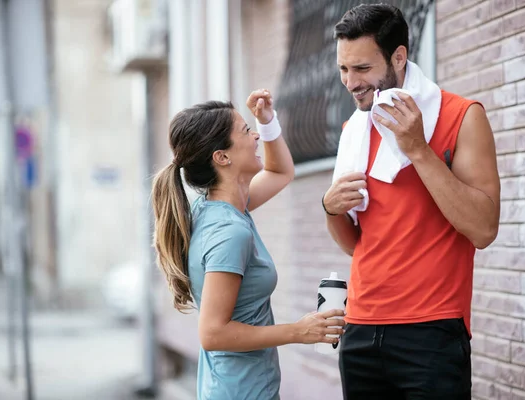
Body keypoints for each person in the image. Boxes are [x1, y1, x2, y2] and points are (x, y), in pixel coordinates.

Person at [322, 4, 500, 400]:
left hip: (431, 331)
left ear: (398, 57)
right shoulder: (355, 129)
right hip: (361, 328)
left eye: (363, 69)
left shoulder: (461, 116)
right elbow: (358, 243)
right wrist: (330, 209)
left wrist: (418, 149)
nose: (350, 83)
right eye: (343, 70)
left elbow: (484, 229)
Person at [151, 89, 346, 400]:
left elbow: (281, 172)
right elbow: (213, 333)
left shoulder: (223, 210)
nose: (256, 136)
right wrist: (299, 331)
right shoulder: (229, 232)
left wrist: (267, 121)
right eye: (246, 131)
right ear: (222, 157)